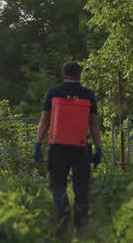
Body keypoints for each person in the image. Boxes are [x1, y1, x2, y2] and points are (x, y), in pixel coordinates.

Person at [33, 61, 101, 229]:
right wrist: (98, 148)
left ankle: (63, 214)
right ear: (80, 76)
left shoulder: (54, 92)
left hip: (58, 146)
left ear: (63, 76)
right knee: (81, 186)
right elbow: (93, 124)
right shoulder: (88, 94)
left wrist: (37, 144)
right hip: (80, 146)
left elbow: (44, 120)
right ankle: (81, 224)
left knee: (57, 184)